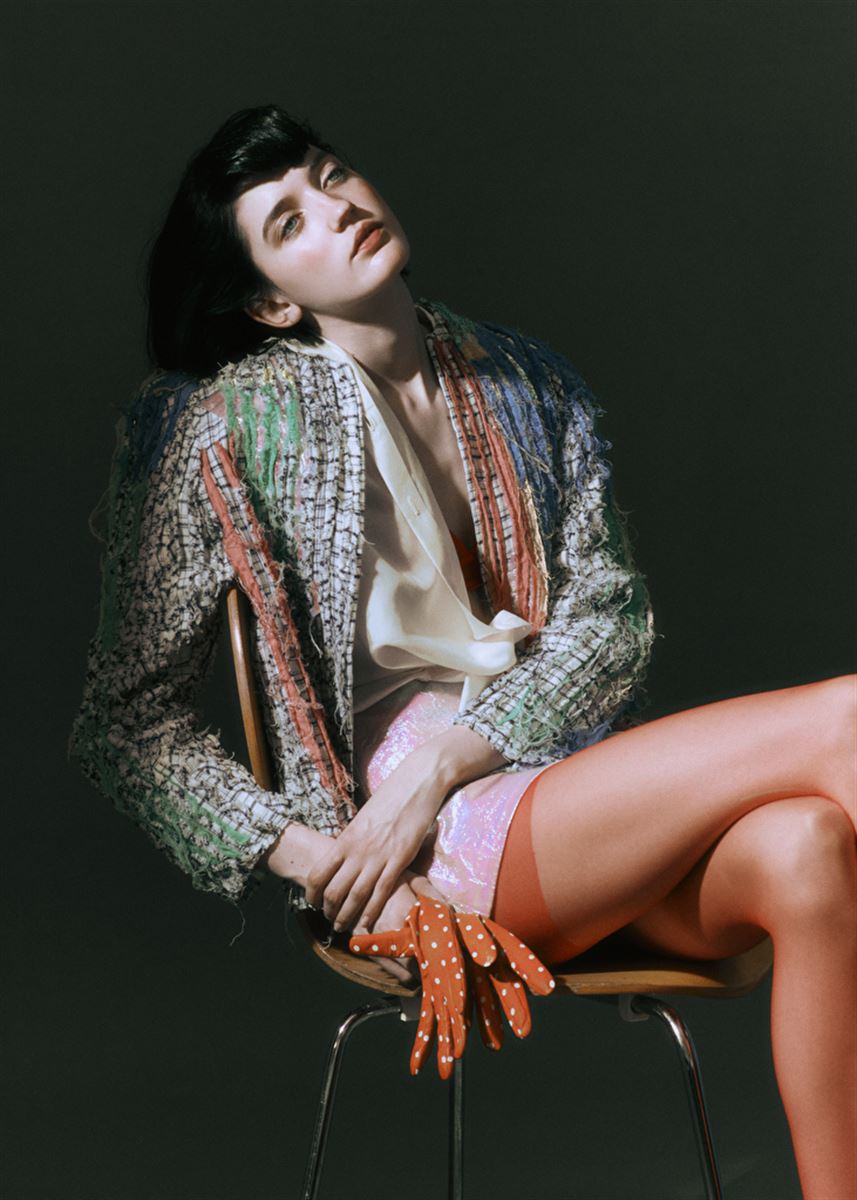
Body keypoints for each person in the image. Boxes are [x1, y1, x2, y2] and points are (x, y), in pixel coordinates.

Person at [70, 105, 855, 1199]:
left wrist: (449, 759)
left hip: (537, 783)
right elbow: (128, 724)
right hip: (409, 850)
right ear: (271, 300)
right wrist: (317, 861)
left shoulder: (525, 381)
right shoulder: (226, 430)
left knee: (808, 849)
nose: (335, 207)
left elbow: (610, 620)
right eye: (288, 221)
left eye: (332, 174)